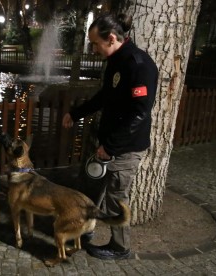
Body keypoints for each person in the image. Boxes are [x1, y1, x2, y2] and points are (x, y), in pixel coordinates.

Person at [62, 13, 159, 260]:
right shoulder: (116, 61)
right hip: (107, 144)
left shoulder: (138, 65)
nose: (93, 49)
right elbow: (105, 96)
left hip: (124, 148)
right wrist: (76, 114)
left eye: (95, 43)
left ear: (112, 38)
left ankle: (120, 247)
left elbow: (139, 114)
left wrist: (111, 147)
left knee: (116, 198)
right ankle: (84, 231)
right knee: (90, 187)